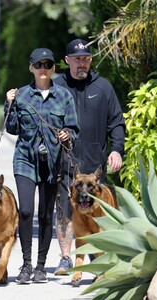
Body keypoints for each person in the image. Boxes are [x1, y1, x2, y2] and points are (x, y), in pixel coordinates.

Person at [4, 48, 79, 284]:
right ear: (31, 68)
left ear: (54, 68)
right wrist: (8, 104)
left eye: (48, 64)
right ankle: (25, 265)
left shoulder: (64, 96)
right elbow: (12, 128)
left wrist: (67, 134)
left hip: (52, 162)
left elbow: (73, 128)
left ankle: (40, 267)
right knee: (26, 211)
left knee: (46, 214)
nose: (43, 69)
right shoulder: (22, 95)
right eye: (39, 65)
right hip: (25, 159)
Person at [53, 39, 125, 275]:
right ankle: (66, 257)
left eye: (85, 59)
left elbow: (116, 122)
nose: (81, 64)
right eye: (76, 59)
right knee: (65, 209)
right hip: (66, 159)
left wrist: (117, 149)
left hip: (95, 165)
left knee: (97, 212)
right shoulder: (57, 86)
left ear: (90, 60)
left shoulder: (103, 87)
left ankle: (98, 257)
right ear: (67, 61)